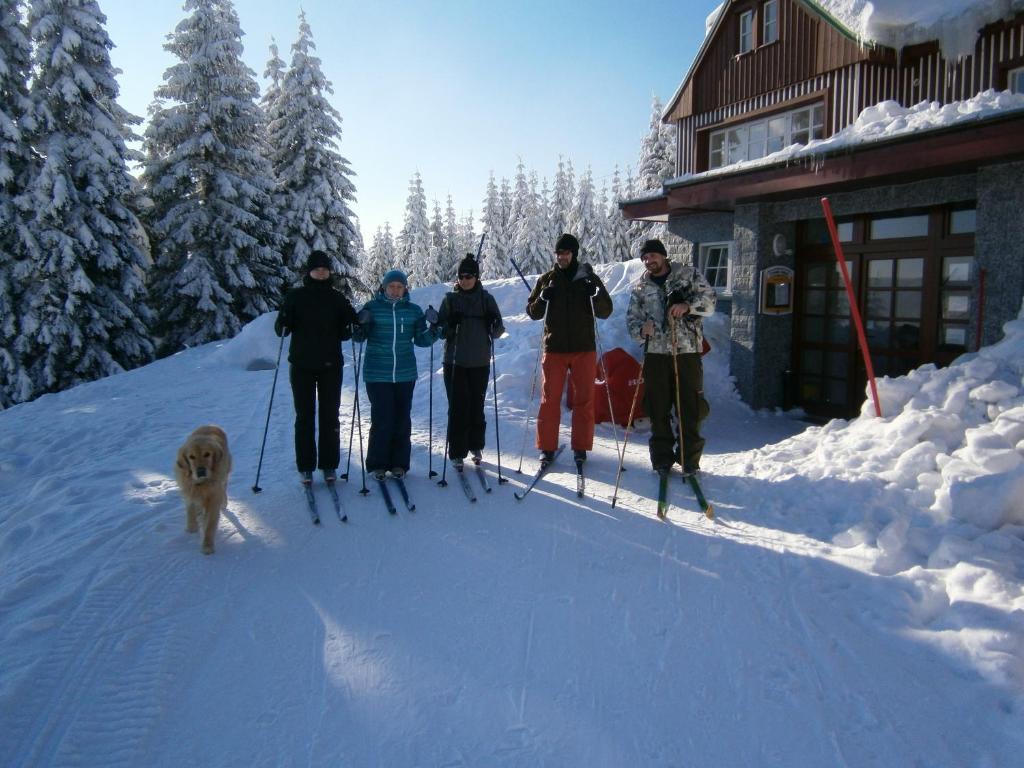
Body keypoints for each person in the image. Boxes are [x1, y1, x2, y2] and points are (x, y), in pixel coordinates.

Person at [625, 238, 716, 476]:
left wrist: (687, 306)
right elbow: (631, 320)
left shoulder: (687, 275)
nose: (648, 261)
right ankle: (662, 459)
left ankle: (689, 460)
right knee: (658, 408)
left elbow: (710, 303)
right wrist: (640, 330)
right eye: (644, 258)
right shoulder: (640, 287)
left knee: (690, 407)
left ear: (663, 256)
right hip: (656, 353)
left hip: (686, 352)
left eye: (652, 256)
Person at [525, 233, 613, 466]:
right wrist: (543, 298)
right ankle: (546, 447)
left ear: (574, 253)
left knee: (584, 400)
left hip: (584, 347)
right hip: (554, 348)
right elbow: (533, 312)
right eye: (558, 253)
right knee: (549, 400)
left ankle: (581, 447)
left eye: (566, 252)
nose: (562, 257)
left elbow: (606, 311)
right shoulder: (547, 279)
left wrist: (596, 294)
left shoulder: (588, 279)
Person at [274, 250, 358, 484]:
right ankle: (306, 466)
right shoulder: (295, 297)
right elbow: (282, 329)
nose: (321, 272)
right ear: (309, 271)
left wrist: (352, 324)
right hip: (301, 365)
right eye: (317, 268)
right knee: (304, 416)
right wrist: (283, 319)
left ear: (329, 271)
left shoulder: (337, 298)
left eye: (324, 268)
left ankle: (329, 465)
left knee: (330, 416)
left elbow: (346, 330)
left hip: (331, 365)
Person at [354, 269, 441, 480]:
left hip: (405, 374)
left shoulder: (413, 311)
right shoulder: (372, 307)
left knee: (402, 420)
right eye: (391, 286)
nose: (395, 290)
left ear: (405, 289)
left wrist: (435, 327)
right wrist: (359, 325)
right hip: (377, 374)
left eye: (399, 287)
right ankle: (378, 464)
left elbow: (422, 340)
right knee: (382, 418)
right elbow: (358, 337)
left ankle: (399, 464)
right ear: (383, 288)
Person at [437, 254, 505, 469]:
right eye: (461, 276)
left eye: (469, 276)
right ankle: (457, 450)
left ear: (476, 277)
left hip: (479, 362)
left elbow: (498, 331)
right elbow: (439, 331)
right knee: (458, 407)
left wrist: (492, 323)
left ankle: (475, 445)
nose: (465, 280)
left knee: (476, 405)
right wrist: (450, 325)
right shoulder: (450, 300)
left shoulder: (486, 299)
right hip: (455, 362)